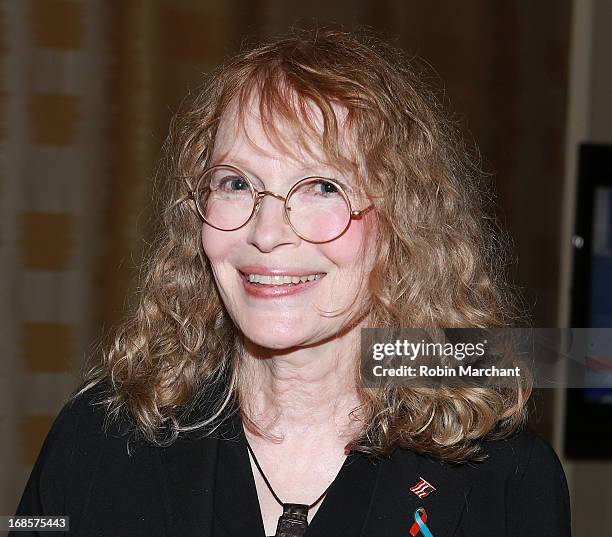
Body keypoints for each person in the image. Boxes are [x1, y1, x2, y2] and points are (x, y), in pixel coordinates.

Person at [11, 27, 571, 537]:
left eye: (323, 187)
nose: (267, 232)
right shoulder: (94, 439)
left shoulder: (505, 480)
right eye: (235, 182)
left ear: (404, 220)